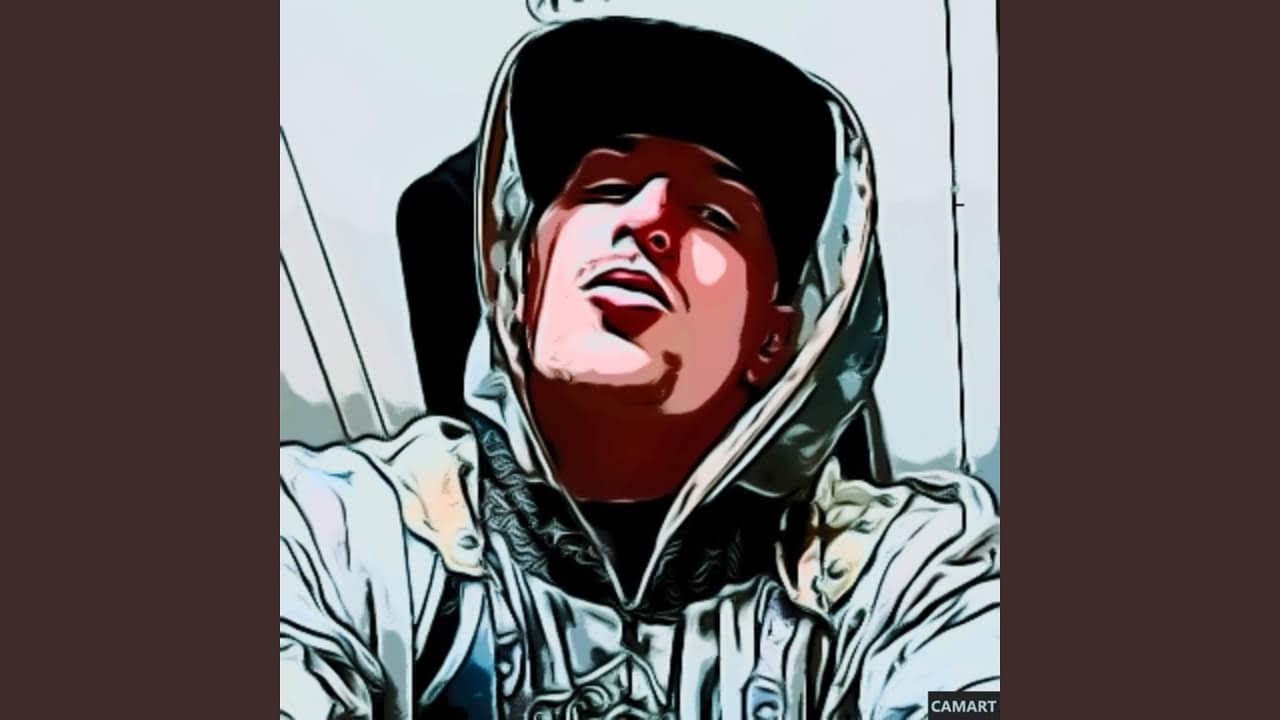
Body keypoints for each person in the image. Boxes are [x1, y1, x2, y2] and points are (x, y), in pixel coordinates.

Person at [280, 17, 999, 720]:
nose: (648, 218)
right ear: (520, 283)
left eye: (715, 214)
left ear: (775, 341)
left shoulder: (907, 568)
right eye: (604, 188)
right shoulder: (342, 533)